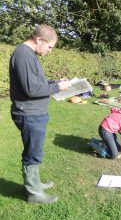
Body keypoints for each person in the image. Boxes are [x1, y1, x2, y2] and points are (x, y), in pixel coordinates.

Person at [9, 24, 71, 204]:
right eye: (50, 46)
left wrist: (55, 82)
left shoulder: (28, 54)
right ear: (39, 40)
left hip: (34, 112)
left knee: (34, 150)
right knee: (33, 153)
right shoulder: (23, 54)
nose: (50, 51)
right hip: (29, 113)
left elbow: (37, 82)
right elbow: (32, 89)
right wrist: (58, 87)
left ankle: (34, 183)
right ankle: (34, 194)